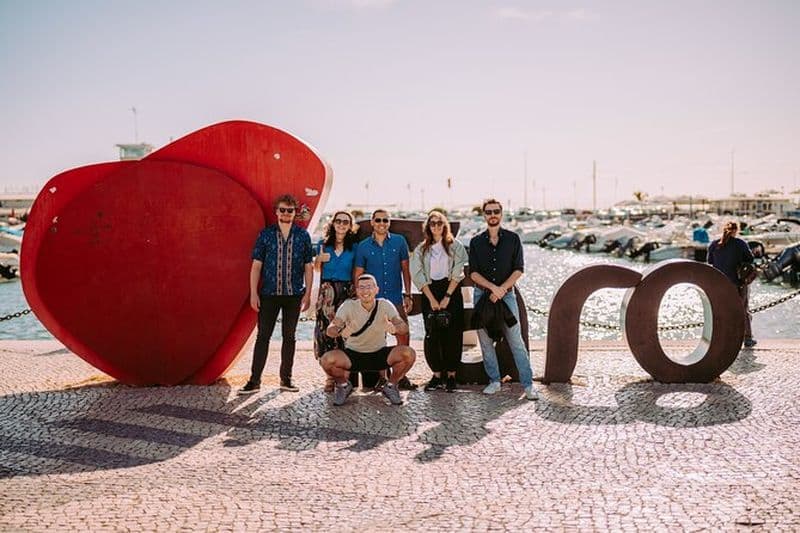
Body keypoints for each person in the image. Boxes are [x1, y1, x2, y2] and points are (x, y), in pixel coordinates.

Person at [240, 194, 314, 394]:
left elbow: (308, 266)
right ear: (276, 211)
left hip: (293, 295)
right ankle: (254, 381)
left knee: (289, 337)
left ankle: (286, 379)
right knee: (263, 336)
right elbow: (256, 266)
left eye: (290, 210)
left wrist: (307, 294)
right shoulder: (266, 234)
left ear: (294, 212)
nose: (286, 213)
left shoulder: (303, 236)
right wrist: (253, 293)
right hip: (269, 294)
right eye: (282, 210)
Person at [468, 198, 537, 401]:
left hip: (507, 296)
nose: (492, 215)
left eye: (496, 211)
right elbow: (473, 273)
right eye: (488, 212)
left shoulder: (513, 239)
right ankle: (494, 381)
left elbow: (519, 269)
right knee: (486, 341)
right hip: (483, 295)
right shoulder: (476, 242)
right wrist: (492, 288)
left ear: (501, 213)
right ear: (484, 215)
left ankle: (528, 384)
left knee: (516, 340)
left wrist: (502, 289)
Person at [321, 274, 417, 406]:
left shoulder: (385, 304)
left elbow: (404, 328)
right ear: (356, 290)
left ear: (376, 289)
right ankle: (343, 385)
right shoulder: (348, 306)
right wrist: (342, 331)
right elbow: (330, 330)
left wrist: (393, 329)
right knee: (326, 360)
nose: (365, 291)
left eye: (369, 287)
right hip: (353, 355)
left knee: (409, 354)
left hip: (379, 354)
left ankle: (391, 385)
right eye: (361, 287)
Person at [353, 209, 417, 390]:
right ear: (372, 222)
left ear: (389, 223)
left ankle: (401, 375)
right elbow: (358, 273)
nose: (382, 223)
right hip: (375, 301)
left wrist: (408, 293)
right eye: (378, 220)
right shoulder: (363, 246)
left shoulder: (399, 242)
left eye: (386, 220)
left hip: (396, 296)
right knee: (377, 339)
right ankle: (382, 378)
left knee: (403, 335)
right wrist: (360, 296)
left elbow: (405, 269)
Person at [410, 210, 468, 392]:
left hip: (451, 289)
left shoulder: (455, 246)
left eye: (439, 223)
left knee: (453, 334)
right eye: (432, 223)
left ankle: (451, 375)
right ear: (428, 227)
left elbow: (459, 270)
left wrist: (447, 296)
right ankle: (436, 375)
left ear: (445, 225)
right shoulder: (421, 249)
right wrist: (432, 299)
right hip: (430, 291)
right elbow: (417, 274)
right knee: (432, 335)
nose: (436, 226)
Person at [313, 211, 359, 392]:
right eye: (338, 221)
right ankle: (330, 376)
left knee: (345, 333)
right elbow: (317, 269)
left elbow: (357, 270)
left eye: (345, 222)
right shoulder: (323, 245)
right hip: (327, 292)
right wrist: (319, 260)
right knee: (325, 332)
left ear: (350, 226)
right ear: (333, 224)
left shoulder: (354, 247)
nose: (341, 224)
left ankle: (344, 376)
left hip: (347, 292)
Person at [707, 220, 757, 348]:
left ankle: (723, 338)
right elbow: (750, 259)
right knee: (742, 310)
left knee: (723, 311)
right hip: (738, 283)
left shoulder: (714, 244)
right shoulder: (740, 244)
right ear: (737, 230)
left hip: (720, 284)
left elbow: (710, 261)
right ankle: (747, 339)